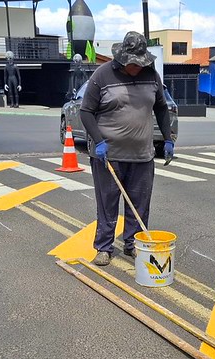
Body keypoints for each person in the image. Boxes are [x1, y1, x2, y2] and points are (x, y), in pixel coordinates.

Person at [79, 31, 174, 266]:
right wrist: (98, 141)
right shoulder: (102, 75)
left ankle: (133, 244)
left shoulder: (151, 75)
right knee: (107, 203)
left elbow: (161, 107)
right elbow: (86, 111)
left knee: (139, 204)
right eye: (133, 63)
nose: (137, 67)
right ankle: (104, 247)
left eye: (140, 62)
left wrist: (168, 138)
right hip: (108, 156)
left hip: (142, 155)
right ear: (122, 58)